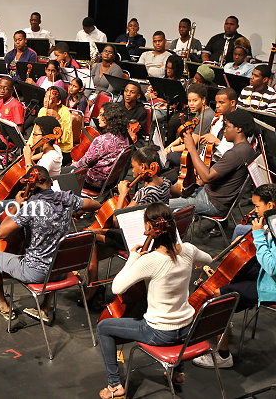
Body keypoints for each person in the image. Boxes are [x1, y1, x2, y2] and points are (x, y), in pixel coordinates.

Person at [96, 202, 213, 398]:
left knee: (103, 327)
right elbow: (208, 259)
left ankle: (115, 385)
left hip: (160, 333)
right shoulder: (188, 249)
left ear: (150, 228)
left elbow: (117, 287)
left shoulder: (149, 261)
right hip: (188, 329)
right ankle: (177, 372)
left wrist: (133, 257)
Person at [0, 165, 101, 322]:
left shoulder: (31, 207)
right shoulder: (66, 199)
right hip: (62, 269)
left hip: (37, 272)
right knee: (54, 248)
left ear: (29, 186)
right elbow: (96, 205)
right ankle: (45, 308)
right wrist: (75, 210)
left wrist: (17, 206)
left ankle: (4, 305)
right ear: (51, 182)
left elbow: (1, 233)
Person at [191, 184, 276, 369]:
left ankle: (223, 355)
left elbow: (272, 267)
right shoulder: (272, 220)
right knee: (233, 274)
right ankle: (223, 320)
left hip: (271, 286)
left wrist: (259, 236)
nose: (254, 210)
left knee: (221, 295)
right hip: (265, 276)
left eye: (257, 206)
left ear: (270, 205)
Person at [86, 147, 172, 301]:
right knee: (100, 236)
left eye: (134, 167)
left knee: (90, 235)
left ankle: (92, 288)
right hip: (155, 235)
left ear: (145, 168)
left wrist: (122, 195)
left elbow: (117, 221)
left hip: (139, 238)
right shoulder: (165, 183)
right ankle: (94, 280)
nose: (133, 172)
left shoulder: (144, 193)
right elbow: (178, 192)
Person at [169, 109, 257, 219]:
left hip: (212, 203)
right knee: (171, 190)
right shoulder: (247, 149)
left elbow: (207, 177)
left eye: (228, 127)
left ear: (239, 129)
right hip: (210, 193)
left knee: (164, 206)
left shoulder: (236, 153)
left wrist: (191, 148)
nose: (224, 130)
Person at [72, 102, 131, 191]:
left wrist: (72, 166)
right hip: (110, 182)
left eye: (101, 115)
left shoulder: (102, 140)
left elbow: (84, 163)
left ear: (109, 118)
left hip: (93, 182)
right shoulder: (125, 137)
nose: (98, 118)